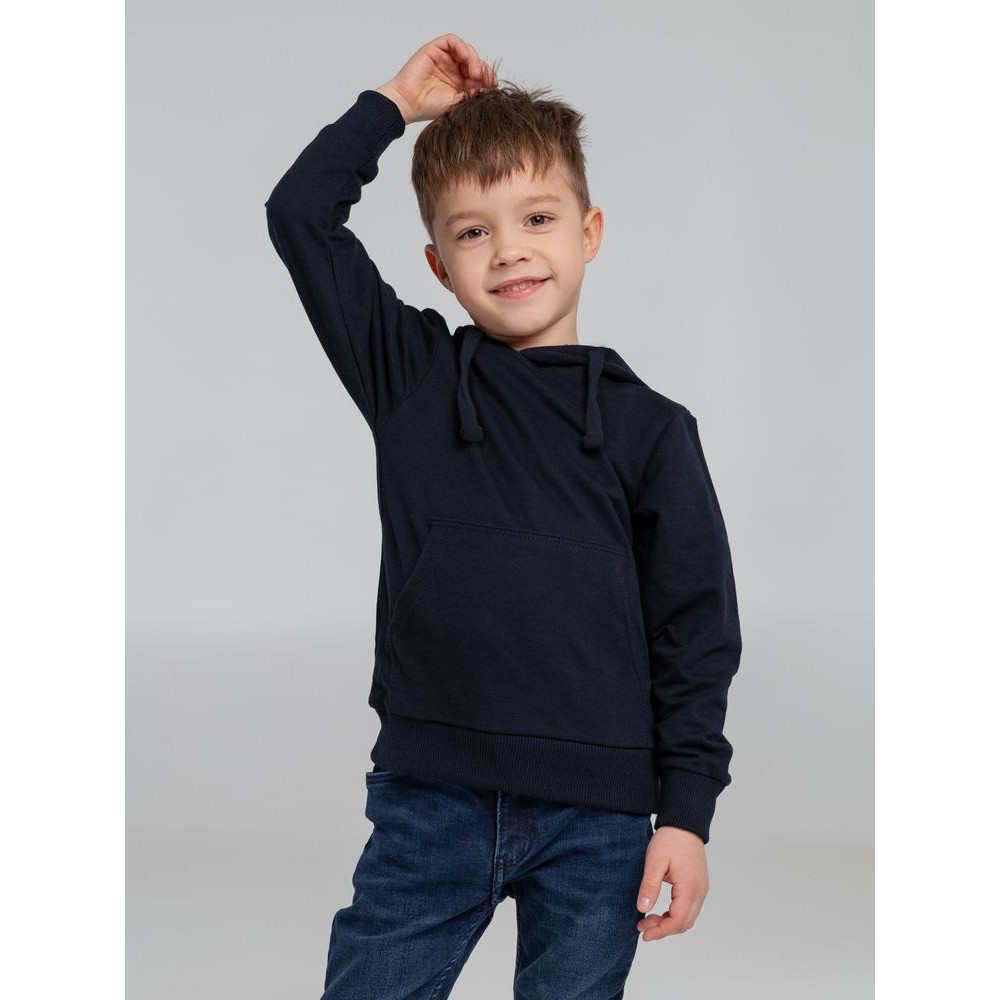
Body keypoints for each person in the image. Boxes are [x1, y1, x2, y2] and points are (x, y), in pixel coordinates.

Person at [264, 33, 742, 1000]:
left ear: (589, 232)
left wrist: (685, 816)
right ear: (439, 266)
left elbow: (695, 631)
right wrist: (394, 105)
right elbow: (299, 213)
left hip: (600, 821)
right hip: (431, 800)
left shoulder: (653, 431)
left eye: (537, 217)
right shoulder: (413, 379)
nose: (511, 248)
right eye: (474, 232)